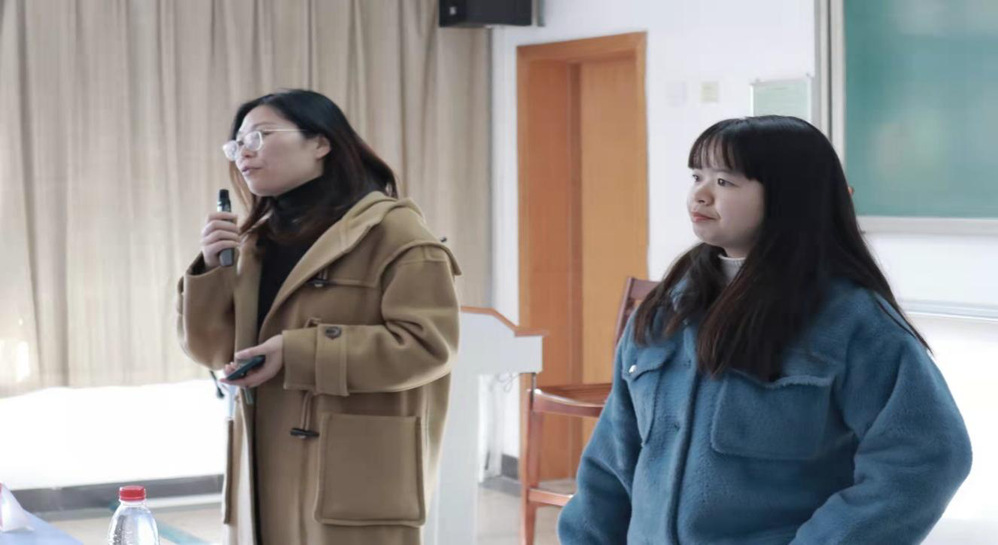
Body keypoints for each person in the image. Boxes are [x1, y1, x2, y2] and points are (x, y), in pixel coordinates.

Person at [557, 115, 972, 544]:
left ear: (789, 196)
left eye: (725, 181)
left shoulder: (851, 320)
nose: (700, 194)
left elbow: (926, 457)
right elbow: (613, 457)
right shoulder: (666, 310)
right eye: (697, 176)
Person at [176, 89, 461, 545]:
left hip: (354, 470)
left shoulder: (396, 234)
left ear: (321, 142)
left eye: (259, 135)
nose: (244, 152)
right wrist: (211, 270)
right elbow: (214, 351)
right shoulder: (256, 242)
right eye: (237, 143)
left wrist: (297, 352)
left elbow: (429, 347)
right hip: (262, 465)